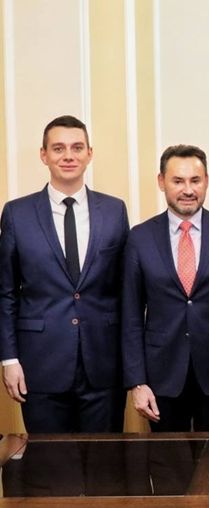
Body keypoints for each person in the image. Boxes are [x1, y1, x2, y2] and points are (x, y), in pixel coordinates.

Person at [0, 115, 129, 432]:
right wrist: (9, 359)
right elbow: (5, 292)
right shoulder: (17, 214)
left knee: (105, 459)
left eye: (77, 147)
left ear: (89, 154)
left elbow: (126, 291)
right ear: (43, 155)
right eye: (58, 148)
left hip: (104, 366)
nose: (68, 156)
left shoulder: (114, 211)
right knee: (49, 461)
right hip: (40, 365)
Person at [121, 144, 209, 431]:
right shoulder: (140, 238)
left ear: (207, 181)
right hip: (161, 376)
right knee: (168, 458)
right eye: (178, 181)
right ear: (161, 182)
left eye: (195, 180)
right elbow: (130, 316)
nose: (188, 190)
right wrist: (137, 382)